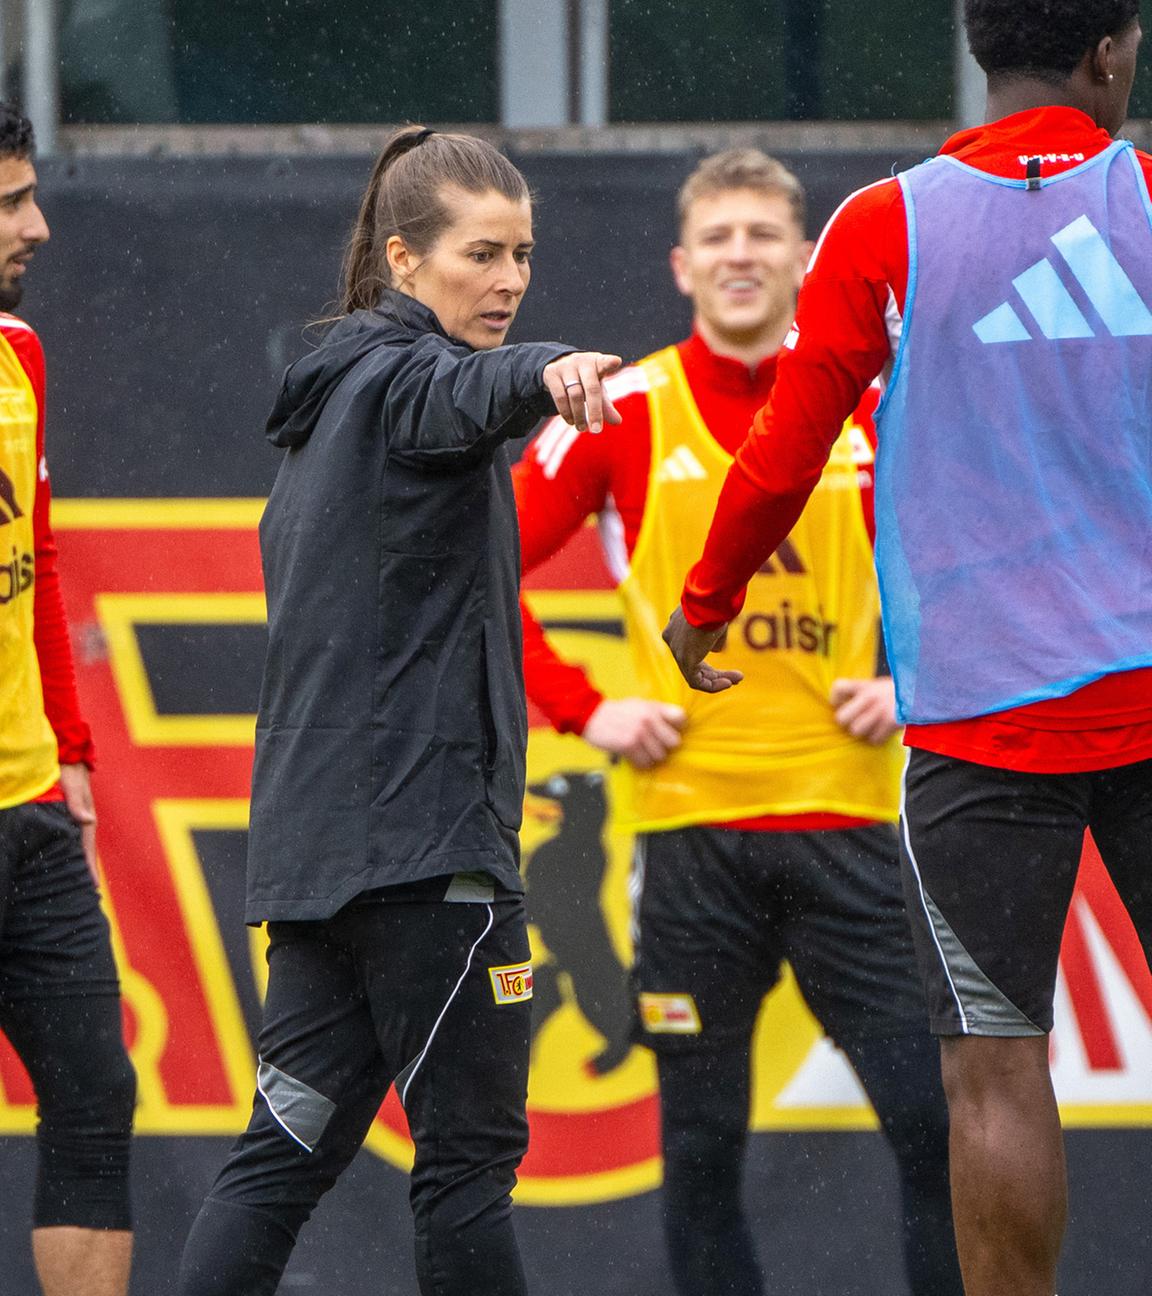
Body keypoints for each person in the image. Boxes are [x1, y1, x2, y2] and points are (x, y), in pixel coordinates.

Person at [663, 6, 1152, 1296]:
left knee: (994, 1066)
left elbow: (787, 445)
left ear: (986, 56)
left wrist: (706, 598)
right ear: (1109, 54)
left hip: (982, 726)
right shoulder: (1150, 195)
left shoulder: (885, 225)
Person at [176, 125, 620, 1296]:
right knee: (468, 1172)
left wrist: (525, 369)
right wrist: (551, 367)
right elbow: (464, 389)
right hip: (431, 869)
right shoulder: (408, 381)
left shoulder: (331, 401)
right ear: (405, 260)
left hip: (322, 872)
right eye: (481, 254)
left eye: (524, 254)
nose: (511, 281)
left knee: (279, 1160)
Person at [515, 149, 961, 1296]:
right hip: (689, 839)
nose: (741, 255)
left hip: (849, 823)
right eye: (718, 237)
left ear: (807, 258)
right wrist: (585, 709)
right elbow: (473, 567)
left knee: (935, 1133)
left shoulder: (876, 402)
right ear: (680, 264)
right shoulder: (624, 408)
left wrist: (917, 683)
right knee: (703, 1152)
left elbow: (984, 561)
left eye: (764, 234)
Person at [0, 103, 137, 1296]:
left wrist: (75, 750)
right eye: (8, 204)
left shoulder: (18, 356)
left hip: (32, 805)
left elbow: (39, 564)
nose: (35, 225)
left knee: (96, 1096)